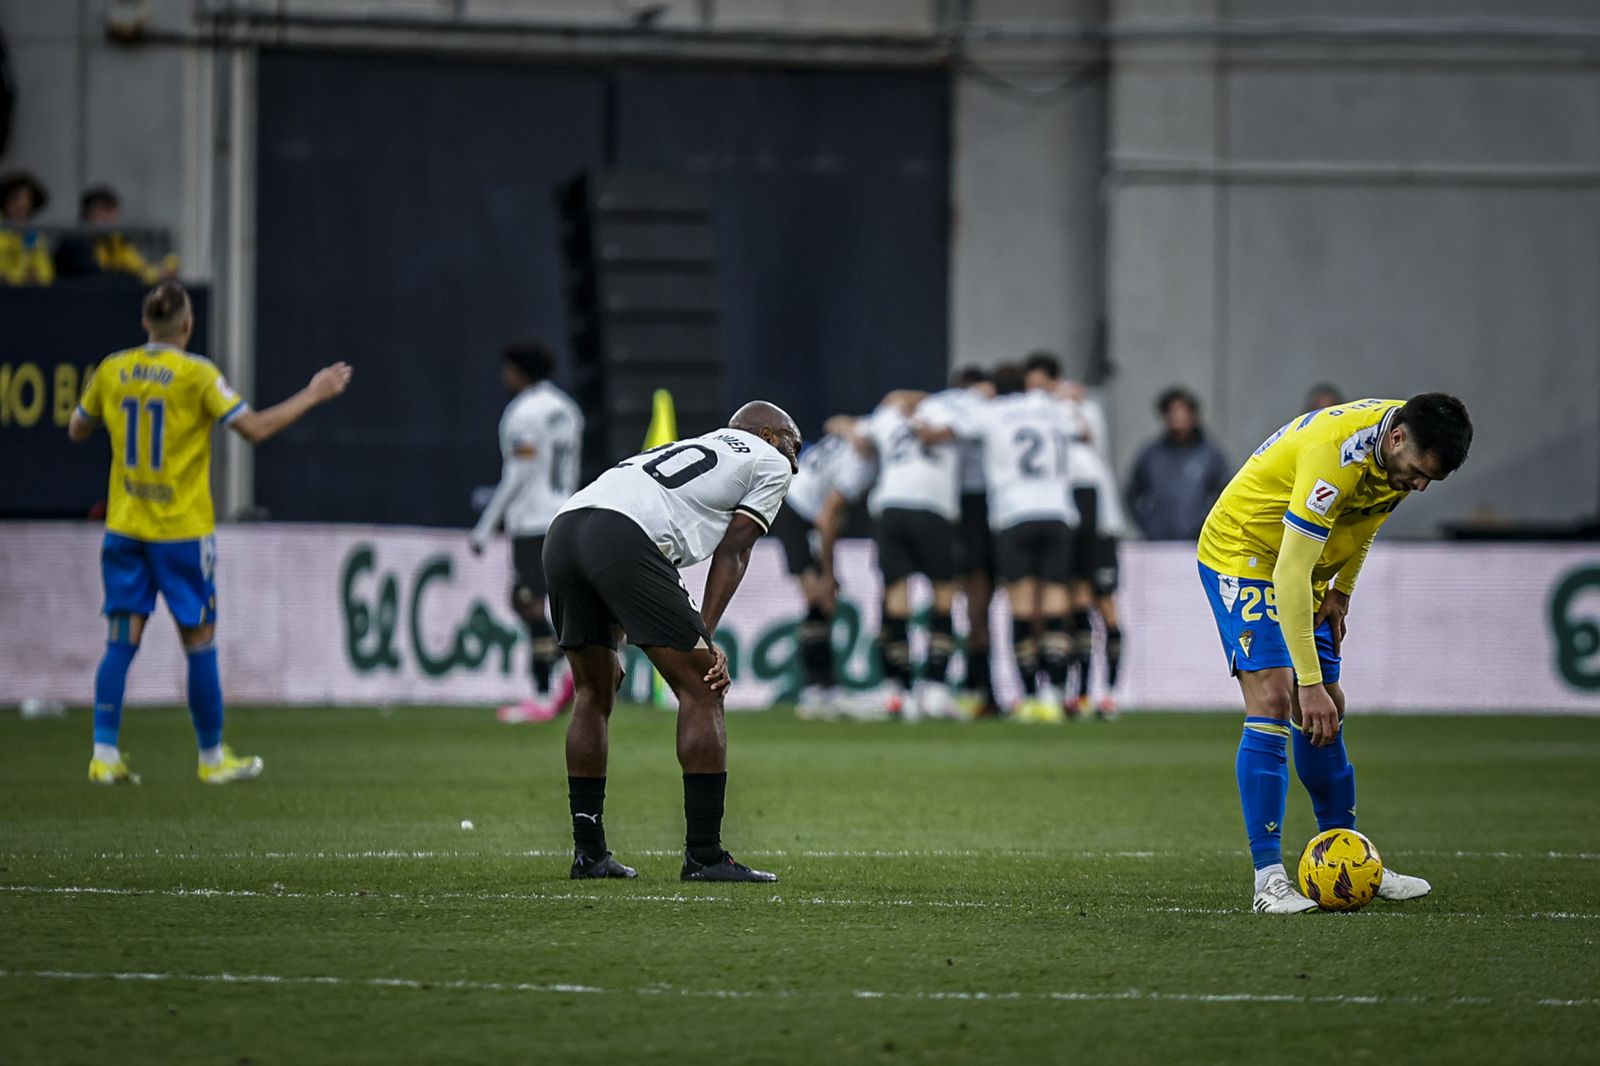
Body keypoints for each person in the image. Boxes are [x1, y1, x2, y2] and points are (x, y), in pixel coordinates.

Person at [67, 280, 353, 784]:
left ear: (145, 323)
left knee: (120, 641)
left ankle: (104, 755)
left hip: (125, 527)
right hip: (180, 531)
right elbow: (254, 429)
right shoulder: (196, 374)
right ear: (188, 324)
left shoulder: (113, 369)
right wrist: (314, 393)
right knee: (199, 641)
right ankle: (212, 757)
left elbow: (77, 427)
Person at [1196, 393, 1473, 913]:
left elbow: (1366, 521)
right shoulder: (1335, 454)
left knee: (1327, 708)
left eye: (1430, 480)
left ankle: (1348, 857)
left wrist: (1343, 590)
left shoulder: (1404, 447)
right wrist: (1307, 681)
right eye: (1418, 473)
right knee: (1277, 698)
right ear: (1397, 439)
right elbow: (1289, 573)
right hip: (1246, 551)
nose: (1419, 486)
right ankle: (1268, 880)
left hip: (1307, 561)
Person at [543, 401, 801, 882]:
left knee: (593, 693)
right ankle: (705, 855)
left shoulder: (696, 444)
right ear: (768, 435)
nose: (796, 461)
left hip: (565, 528)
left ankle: (589, 853)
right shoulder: (770, 461)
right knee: (704, 686)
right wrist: (706, 635)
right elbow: (735, 549)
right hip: (622, 536)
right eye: (794, 444)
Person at [946, 363, 1079, 721]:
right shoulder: (1050, 406)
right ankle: (1054, 693)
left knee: (1021, 606)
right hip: (1058, 510)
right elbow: (1080, 427)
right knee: (1054, 603)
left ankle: (1030, 696)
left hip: (1013, 513)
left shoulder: (990, 412)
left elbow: (952, 427)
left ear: (994, 388)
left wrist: (976, 397)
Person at [469, 341, 584, 724]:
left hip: (533, 520)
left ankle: (547, 687)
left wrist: (485, 527)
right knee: (532, 601)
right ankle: (560, 673)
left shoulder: (523, 413)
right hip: (564, 513)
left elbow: (519, 474)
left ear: (519, 372)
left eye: (508, 370)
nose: (505, 377)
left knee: (528, 602)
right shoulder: (567, 409)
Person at [850, 387, 971, 720]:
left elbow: (857, 438)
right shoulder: (949, 410)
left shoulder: (886, 416)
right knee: (944, 595)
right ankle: (935, 689)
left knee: (895, 599)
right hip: (933, 507)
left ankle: (897, 691)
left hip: (891, 505)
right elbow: (946, 433)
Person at [1024, 352, 1125, 719]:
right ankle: (1078, 693)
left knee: (1106, 604)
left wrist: (1065, 400)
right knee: (1075, 602)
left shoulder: (1082, 408)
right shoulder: (1035, 419)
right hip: (1066, 514)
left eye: (1042, 386)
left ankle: (1109, 693)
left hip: (1099, 517)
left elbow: (1089, 435)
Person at [767, 431, 876, 717]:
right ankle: (818, 690)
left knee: (819, 604)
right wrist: (829, 573)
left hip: (792, 501)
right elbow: (827, 519)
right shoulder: (862, 465)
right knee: (819, 598)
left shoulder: (853, 436)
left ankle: (821, 687)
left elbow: (834, 422)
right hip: (798, 513)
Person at [949, 366, 999, 716]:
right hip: (980, 505)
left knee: (978, 606)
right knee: (979, 606)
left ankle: (978, 686)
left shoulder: (947, 407)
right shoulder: (981, 407)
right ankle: (980, 688)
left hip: (979, 505)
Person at [1126, 386, 1231, 541]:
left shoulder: (1211, 455)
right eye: (1172, 411)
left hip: (1198, 541)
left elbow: (1226, 492)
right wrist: (1149, 524)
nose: (1177, 417)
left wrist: (1205, 522)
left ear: (1193, 415)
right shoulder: (1151, 454)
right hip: (1158, 543)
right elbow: (1132, 493)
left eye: (1182, 411)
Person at [54, 184, 179, 283]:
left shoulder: (117, 242)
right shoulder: (72, 244)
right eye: (104, 209)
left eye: (112, 210)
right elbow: (96, 279)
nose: (109, 217)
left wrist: (158, 274)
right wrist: (140, 278)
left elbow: (139, 269)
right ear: (87, 213)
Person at [0, 168, 54, 286]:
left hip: (25, 293)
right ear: (4, 201)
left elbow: (46, 274)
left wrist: (38, 278)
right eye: (15, 198)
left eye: (27, 199)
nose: (22, 205)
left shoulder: (32, 235)